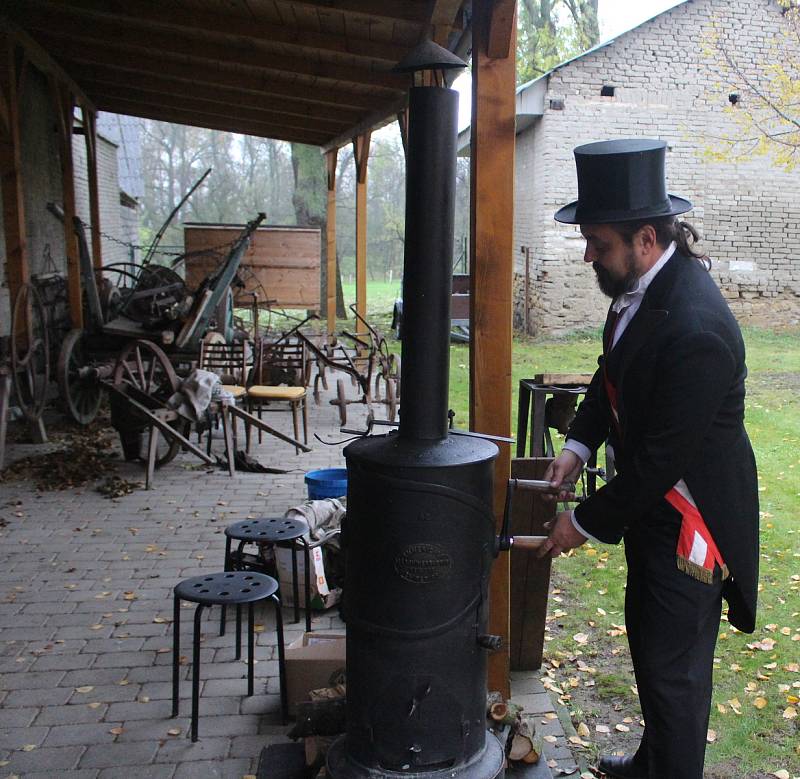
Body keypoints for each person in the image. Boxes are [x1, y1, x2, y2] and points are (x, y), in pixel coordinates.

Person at [540, 139, 759, 779]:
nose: (588, 255)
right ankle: (653, 761)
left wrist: (580, 523)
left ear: (644, 237)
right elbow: (613, 376)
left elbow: (661, 458)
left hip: (693, 524)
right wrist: (578, 447)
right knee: (651, 651)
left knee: (676, 674)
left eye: (598, 243)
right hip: (652, 511)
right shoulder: (640, 288)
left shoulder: (697, 327)